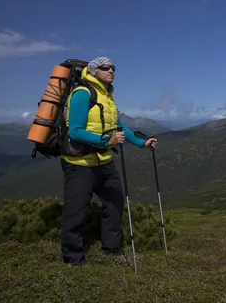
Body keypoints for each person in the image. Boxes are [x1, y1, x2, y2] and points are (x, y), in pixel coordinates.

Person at [59, 56, 157, 266]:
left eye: (113, 68)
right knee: (76, 211)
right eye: (106, 67)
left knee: (114, 203)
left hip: (104, 162)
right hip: (80, 164)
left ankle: (111, 250)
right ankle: (73, 259)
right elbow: (75, 132)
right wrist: (106, 140)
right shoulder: (82, 94)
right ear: (94, 70)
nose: (112, 70)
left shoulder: (108, 98)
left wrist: (142, 143)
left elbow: (119, 128)